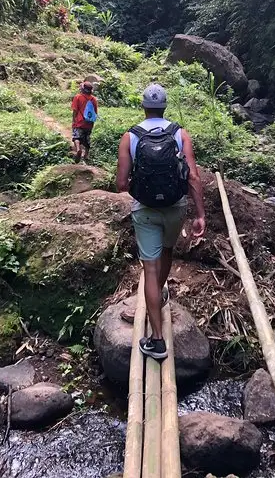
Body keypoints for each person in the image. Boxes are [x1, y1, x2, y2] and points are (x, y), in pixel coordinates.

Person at [116, 83, 206, 360]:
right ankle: (160, 295)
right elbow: (192, 176)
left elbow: (120, 183)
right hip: (175, 207)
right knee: (167, 251)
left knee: (150, 271)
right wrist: (200, 214)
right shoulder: (180, 133)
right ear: (165, 106)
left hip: (144, 209)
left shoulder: (129, 137)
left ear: (143, 106)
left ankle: (156, 341)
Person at [71, 80, 98, 163]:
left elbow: (75, 110)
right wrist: (92, 123)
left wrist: (74, 121)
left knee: (76, 137)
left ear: (82, 89)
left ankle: (78, 149)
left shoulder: (78, 97)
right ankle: (86, 154)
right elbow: (95, 112)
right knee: (87, 138)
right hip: (89, 122)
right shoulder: (94, 99)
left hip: (79, 122)